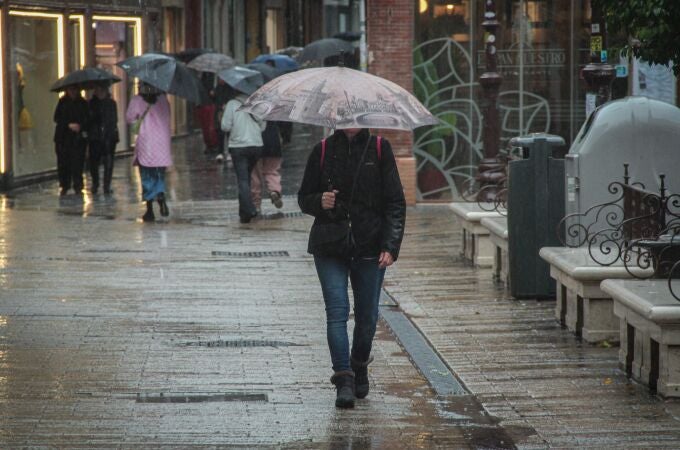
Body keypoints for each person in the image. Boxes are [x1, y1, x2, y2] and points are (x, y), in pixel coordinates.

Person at [298, 128, 406, 408]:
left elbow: (395, 202)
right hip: (330, 245)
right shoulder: (321, 150)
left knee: (367, 317)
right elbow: (303, 198)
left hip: (370, 246)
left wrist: (390, 246)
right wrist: (319, 201)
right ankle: (343, 378)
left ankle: (359, 363)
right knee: (336, 312)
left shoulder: (380, 149)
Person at [125, 84, 172, 222]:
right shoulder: (163, 99)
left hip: (146, 142)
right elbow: (167, 115)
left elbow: (129, 118)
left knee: (146, 176)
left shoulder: (137, 100)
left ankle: (149, 210)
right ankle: (161, 194)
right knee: (159, 174)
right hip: (162, 143)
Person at [221, 85, 265, 223]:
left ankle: (249, 209)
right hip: (256, 145)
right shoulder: (256, 103)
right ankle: (243, 213)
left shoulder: (232, 104)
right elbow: (263, 126)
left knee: (243, 180)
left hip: (238, 146)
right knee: (246, 178)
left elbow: (225, 126)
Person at [53, 85, 89, 196]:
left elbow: (88, 119)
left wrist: (80, 126)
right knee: (63, 162)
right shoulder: (62, 102)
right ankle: (64, 184)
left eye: (75, 89)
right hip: (63, 138)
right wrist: (68, 124)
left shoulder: (83, 103)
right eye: (70, 89)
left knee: (78, 162)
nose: (73, 92)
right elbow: (56, 118)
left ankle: (78, 185)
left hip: (78, 139)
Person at [87, 83, 119, 195]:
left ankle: (107, 185)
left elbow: (114, 120)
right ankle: (95, 183)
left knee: (109, 162)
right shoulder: (91, 103)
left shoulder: (111, 103)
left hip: (109, 137)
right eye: (97, 89)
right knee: (93, 162)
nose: (100, 91)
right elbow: (88, 120)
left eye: (102, 89)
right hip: (95, 137)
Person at [251, 121, 284, 211]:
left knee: (255, 174)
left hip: (255, 142)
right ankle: (274, 190)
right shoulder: (274, 108)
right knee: (272, 171)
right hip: (273, 141)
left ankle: (256, 203)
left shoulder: (252, 108)